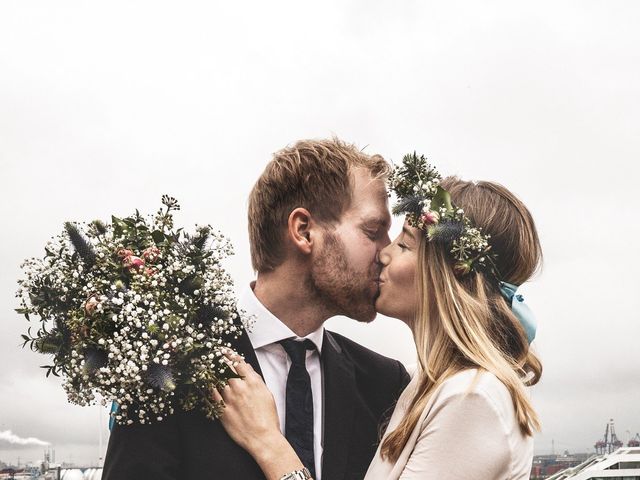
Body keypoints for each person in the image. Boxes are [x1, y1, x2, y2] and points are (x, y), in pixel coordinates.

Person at [215, 153, 542, 480]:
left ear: (449, 273)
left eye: (404, 244)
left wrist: (269, 444)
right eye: (374, 232)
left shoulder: (473, 397)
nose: (384, 253)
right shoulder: (414, 385)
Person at [101, 138, 410, 480]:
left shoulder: (385, 383)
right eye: (374, 230)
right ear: (304, 231)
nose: (386, 252)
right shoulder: (167, 368)